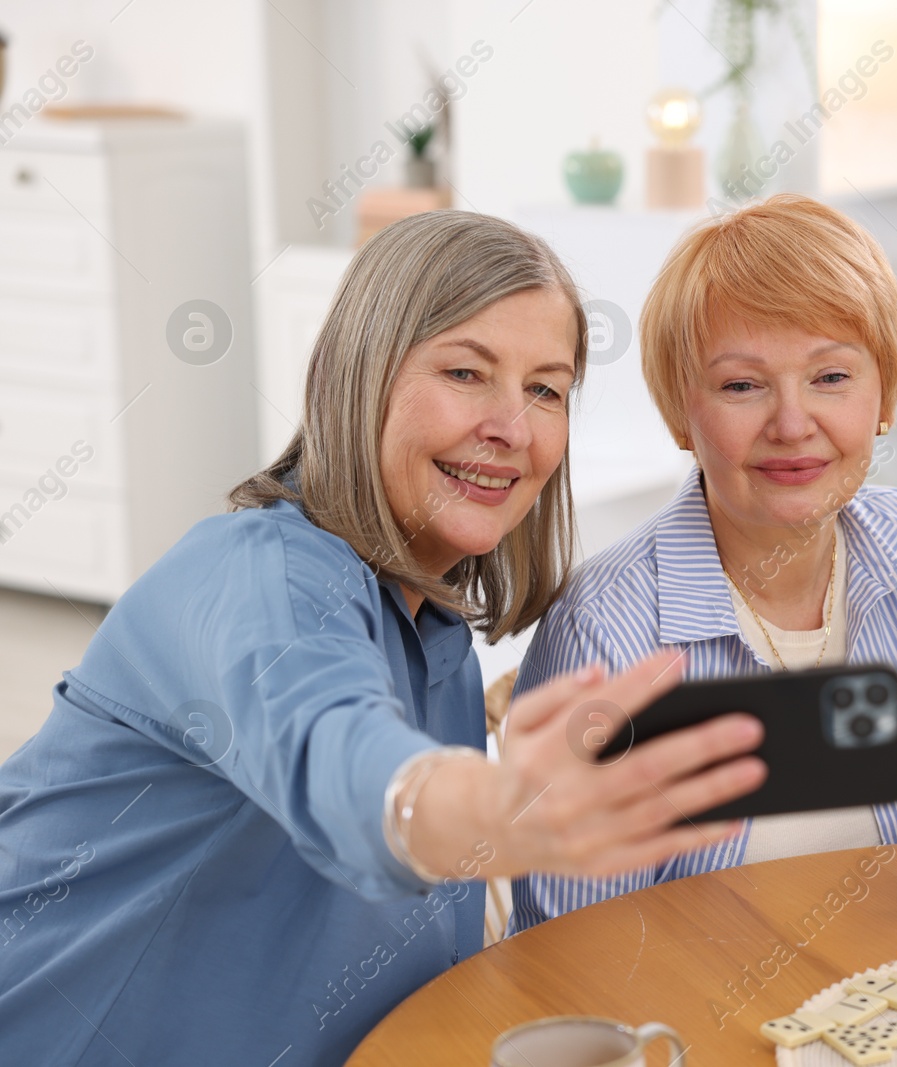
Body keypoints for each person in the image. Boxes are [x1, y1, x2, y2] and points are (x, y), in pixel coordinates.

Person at [0, 211, 766, 1065]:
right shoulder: (255, 573)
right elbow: (338, 755)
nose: (513, 427)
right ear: (357, 378)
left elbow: (419, 963)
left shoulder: (439, 645)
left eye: (546, 389)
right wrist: (496, 804)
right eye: (467, 372)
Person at [510, 194, 897, 932]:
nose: (791, 423)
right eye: (742, 385)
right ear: (682, 414)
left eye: (831, 377)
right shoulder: (605, 632)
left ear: (885, 393)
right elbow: (572, 957)